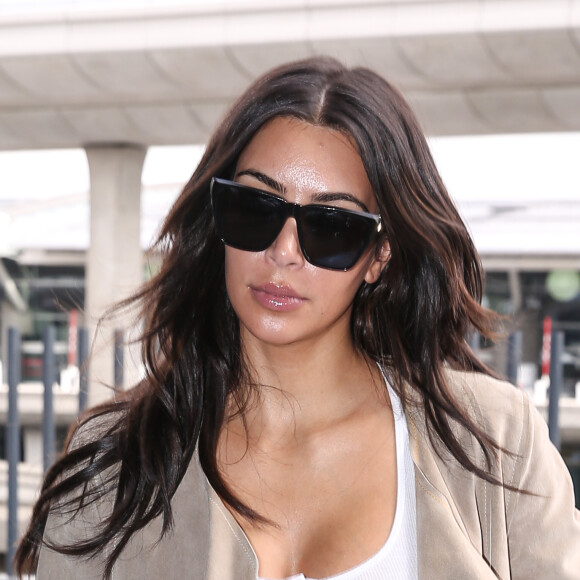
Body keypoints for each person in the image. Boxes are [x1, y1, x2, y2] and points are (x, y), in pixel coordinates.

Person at [16, 57, 580, 580]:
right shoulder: (118, 461)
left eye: (331, 226)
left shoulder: (496, 444)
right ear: (218, 221)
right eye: (255, 208)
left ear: (379, 257)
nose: (284, 250)